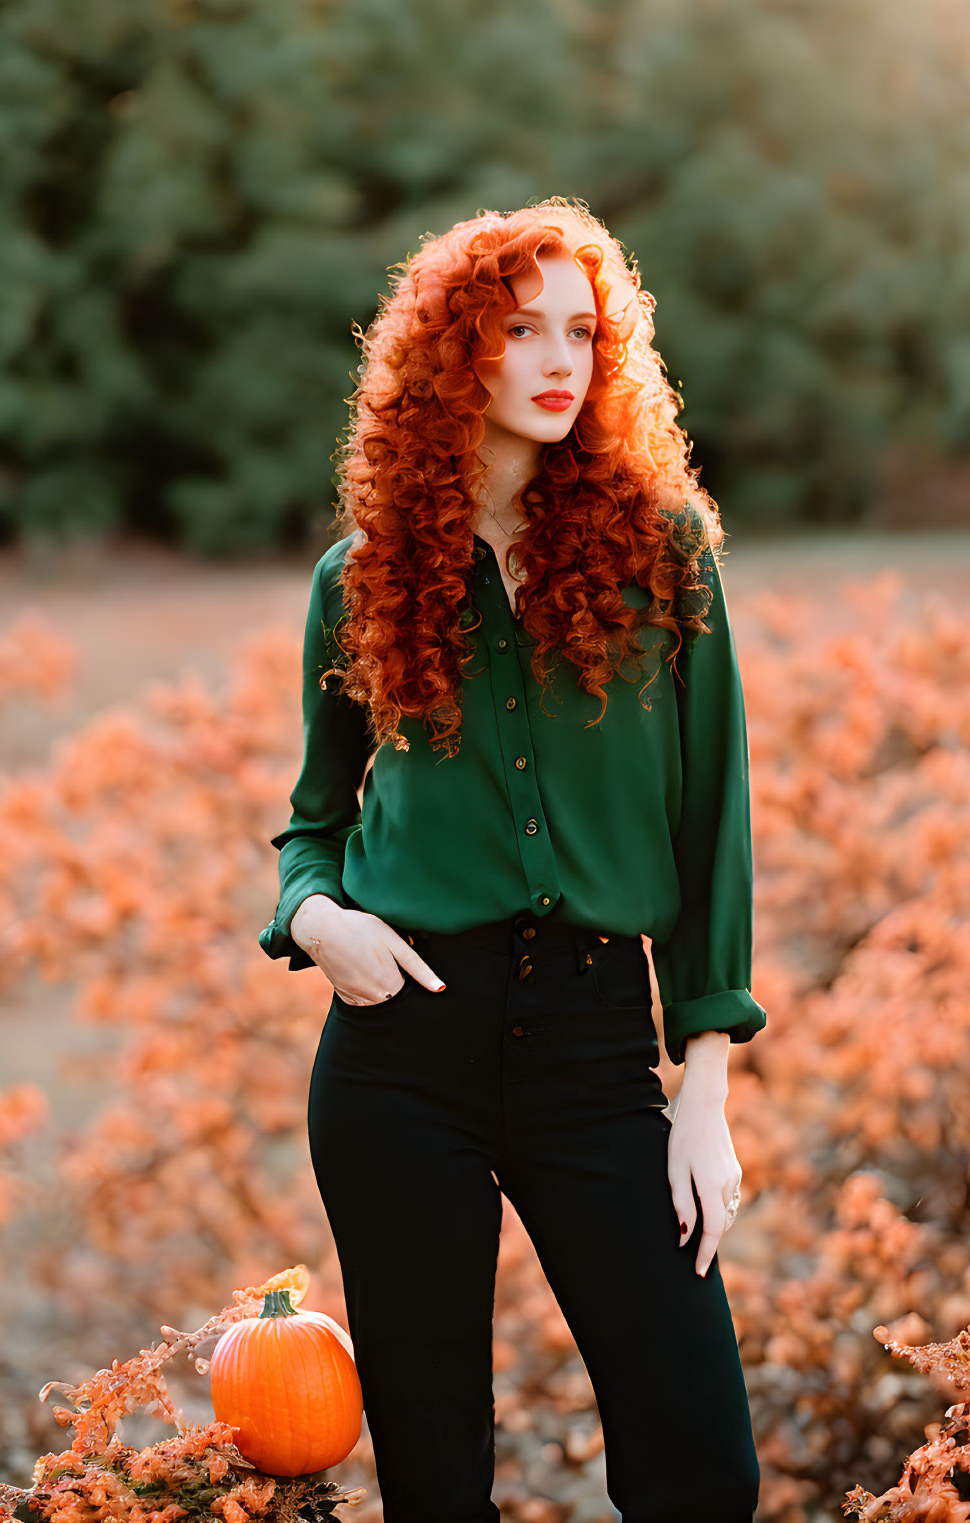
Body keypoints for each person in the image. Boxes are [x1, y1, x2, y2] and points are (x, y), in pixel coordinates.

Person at [257, 197, 767, 1523]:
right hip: (399, 1042)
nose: (559, 358)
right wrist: (316, 921)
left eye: (583, 333)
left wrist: (701, 1087)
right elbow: (312, 823)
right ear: (451, 356)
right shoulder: (359, 579)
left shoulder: (666, 559)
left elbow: (715, 818)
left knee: (700, 1462)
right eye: (519, 327)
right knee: (436, 1480)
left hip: (596, 1046)